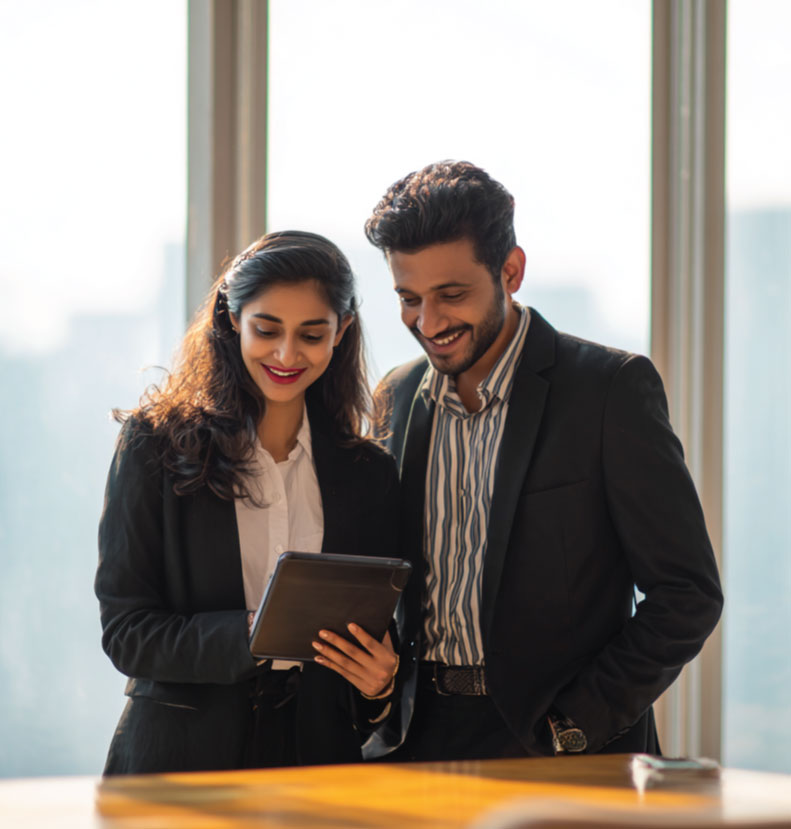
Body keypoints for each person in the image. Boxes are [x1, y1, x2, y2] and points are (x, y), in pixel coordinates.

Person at [364, 160, 723, 761]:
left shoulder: (609, 390)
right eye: (409, 299)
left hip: (557, 742)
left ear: (511, 270)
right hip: (413, 741)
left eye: (451, 295)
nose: (428, 323)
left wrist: (573, 724)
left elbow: (687, 594)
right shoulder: (393, 399)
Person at [95, 230, 399, 775]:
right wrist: (257, 633)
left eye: (312, 334)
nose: (287, 354)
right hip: (179, 766)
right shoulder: (155, 446)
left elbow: (370, 643)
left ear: (343, 331)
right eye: (266, 329)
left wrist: (380, 684)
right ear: (232, 319)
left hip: (317, 766)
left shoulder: (368, 473)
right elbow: (127, 632)